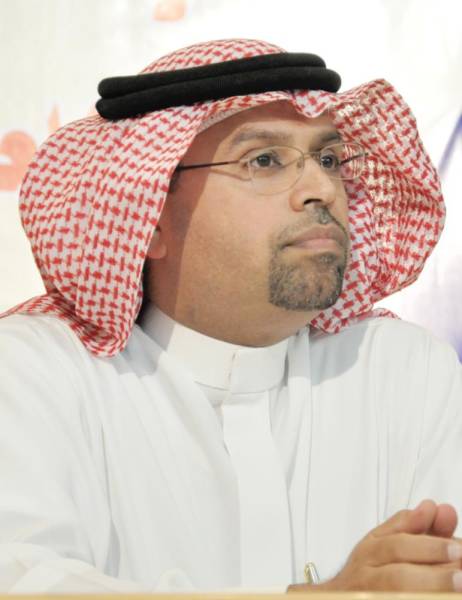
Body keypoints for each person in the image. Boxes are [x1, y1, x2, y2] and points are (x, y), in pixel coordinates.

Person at [0, 38, 461, 594]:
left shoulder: (403, 370)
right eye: (263, 160)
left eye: (329, 159)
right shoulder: (33, 373)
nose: (321, 189)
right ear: (150, 218)